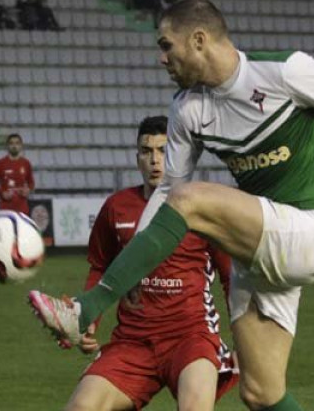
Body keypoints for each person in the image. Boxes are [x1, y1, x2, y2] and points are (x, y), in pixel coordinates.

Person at [28, 0, 314, 411]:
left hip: (310, 230)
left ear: (199, 40)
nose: (161, 58)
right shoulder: (188, 108)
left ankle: (83, 311)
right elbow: (164, 191)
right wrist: (135, 263)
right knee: (262, 393)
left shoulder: (284, 72)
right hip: (262, 245)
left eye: (166, 45)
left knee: (190, 199)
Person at [60, 116, 238, 411]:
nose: (155, 160)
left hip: (192, 336)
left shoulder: (203, 207)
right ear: (137, 158)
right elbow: (101, 266)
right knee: (80, 407)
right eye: (147, 151)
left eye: (163, 150)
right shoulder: (117, 207)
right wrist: (90, 323)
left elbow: (231, 276)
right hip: (133, 340)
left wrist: (243, 340)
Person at [0, 133, 35, 215]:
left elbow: (31, 183)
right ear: (7, 146)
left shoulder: (26, 163)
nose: (14, 146)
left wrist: (28, 190)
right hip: (5, 209)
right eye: (11, 143)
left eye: (17, 143)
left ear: (21, 146)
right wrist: (1, 192)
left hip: (22, 209)